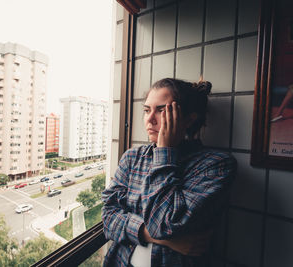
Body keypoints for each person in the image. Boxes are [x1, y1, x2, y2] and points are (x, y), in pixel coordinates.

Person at [102, 78, 237, 267]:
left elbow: (162, 224)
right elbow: (108, 218)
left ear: (189, 119)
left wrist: (165, 151)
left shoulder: (215, 165)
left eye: (161, 110)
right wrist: (162, 240)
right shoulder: (132, 158)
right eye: (147, 110)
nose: (150, 119)